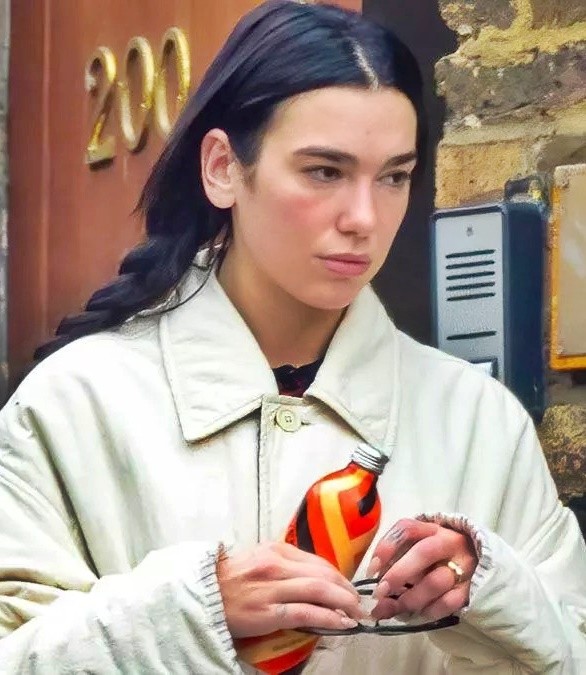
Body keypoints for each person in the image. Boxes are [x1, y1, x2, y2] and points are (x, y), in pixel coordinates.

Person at [0, 1, 585, 673]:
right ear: (223, 167)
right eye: (324, 171)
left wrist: (492, 594)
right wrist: (191, 612)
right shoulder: (75, 404)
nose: (364, 218)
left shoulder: (478, 423)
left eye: (394, 176)